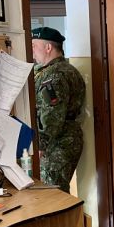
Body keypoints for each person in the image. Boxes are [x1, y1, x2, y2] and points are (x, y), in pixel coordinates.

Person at [31, 27, 85, 193]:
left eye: (34, 45)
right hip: (61, 141)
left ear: (48, 47)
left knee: (52, 193)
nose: (31, 50)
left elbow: (52, 117)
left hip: (57, 144)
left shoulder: (55, 76)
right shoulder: (54, 70)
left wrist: (40, 146)